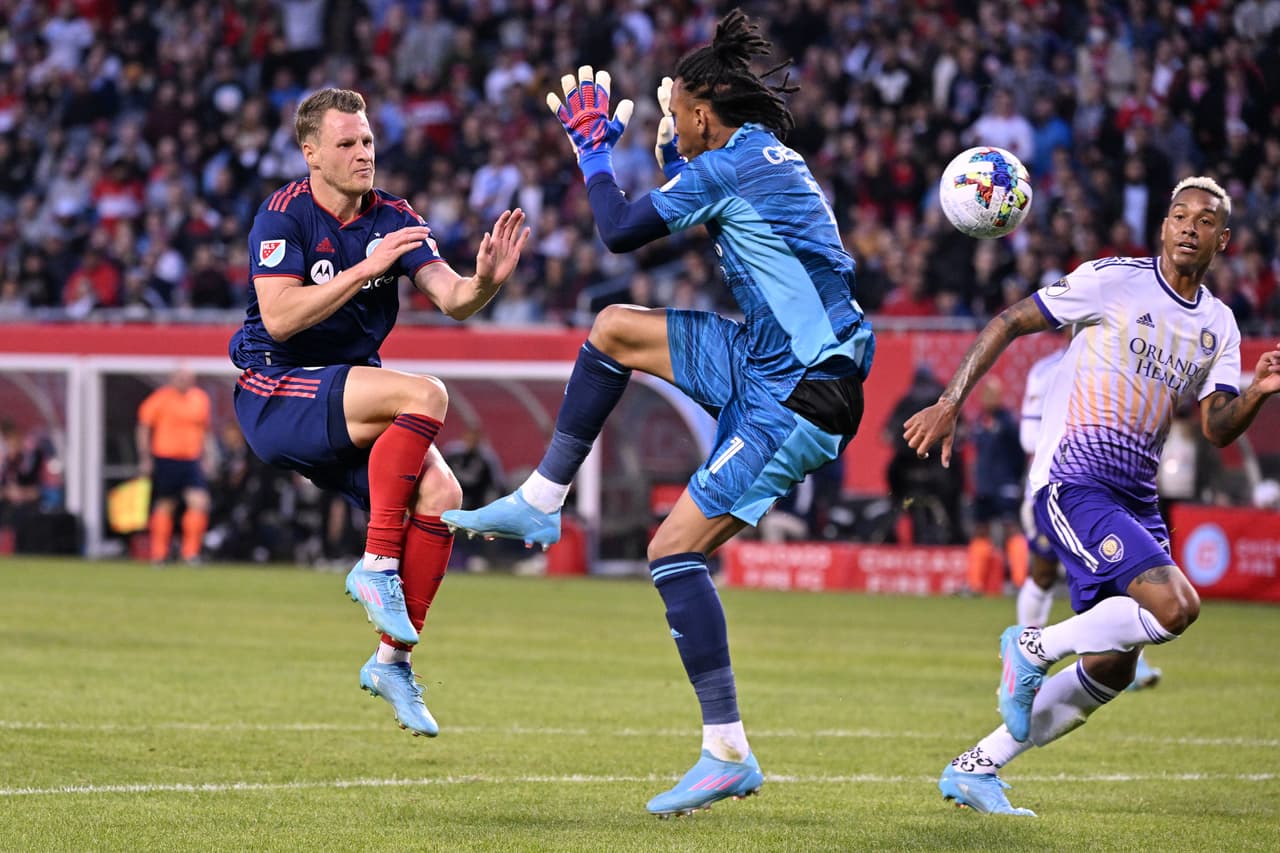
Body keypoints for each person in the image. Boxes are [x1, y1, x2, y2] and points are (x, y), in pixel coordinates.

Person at [443, 10, 874, 816]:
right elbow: (691, 219)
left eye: (677, 114)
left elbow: (617, 230)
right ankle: (541, 501)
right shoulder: (756, 156)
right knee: (612, 330)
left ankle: (726, 751)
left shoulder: (731, 168)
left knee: (672, 548)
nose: (672, 125)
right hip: (763, 356)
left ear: (706, 110)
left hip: (802, 386)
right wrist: (673, 157)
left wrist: (593, 152)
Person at [904, 176, 1280, 815]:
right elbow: (1009, 321)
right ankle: (1029, 646)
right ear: (1162, 226)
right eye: (1179, 214)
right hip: (1073, 478)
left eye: (1205, 219)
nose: (1189, 225)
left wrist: (1256, 395)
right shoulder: (1112, 279)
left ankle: (977, 767)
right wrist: (950, 400)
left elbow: (1217, 427)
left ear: (1224, 240)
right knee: (1176, 607)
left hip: (1137, 496)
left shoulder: (1218, 322)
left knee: (1114, 666)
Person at [228, 88, 529, 737]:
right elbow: (278, 319)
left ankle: (393, 660)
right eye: (346, 143)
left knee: (442, 492)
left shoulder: (393, 216)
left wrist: (484, 283)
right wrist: (365, 269)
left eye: (367, 141)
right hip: (275, 389)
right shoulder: (282, 217)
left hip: (344, 389)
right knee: (426, 394)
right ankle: (377, 564)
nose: (363, 152)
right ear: (311, 153)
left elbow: (451, 298)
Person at [1016, 342, 1162, 691]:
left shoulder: (1126, 362)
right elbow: (1028, 438)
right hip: (1057, 486)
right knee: (1044, 571)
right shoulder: (1046, 370)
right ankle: (1027, 651)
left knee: (1122, 575)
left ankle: (1128, 660)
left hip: (1110, 489)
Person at [136, 367, 212, 564]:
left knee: (199, 502)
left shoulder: (200, 399)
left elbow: (205, 430)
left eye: (188, 378)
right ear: (172, 379)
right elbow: (144, 426)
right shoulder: (160, 399)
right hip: (166, 458)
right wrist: (145, 457)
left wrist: (208, 456)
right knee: (166, 505)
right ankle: (159, 553)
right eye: (180, 378)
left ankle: (191, 553)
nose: (184, 381)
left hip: (191, 459)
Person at [965, 377, 1028, 596]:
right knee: (981, 529)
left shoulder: (1008, 422)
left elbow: (1019, 455)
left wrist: (1013, 479)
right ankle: (975, 585)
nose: (987, 398)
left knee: (1011, 527)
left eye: (992, 394)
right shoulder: (980, 423)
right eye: (985, 394)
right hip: (984, 487)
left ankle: (1020, 582)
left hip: (1005, 485)